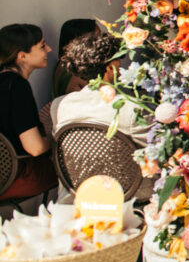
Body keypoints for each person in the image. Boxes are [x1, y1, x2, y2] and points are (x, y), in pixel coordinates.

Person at [50, 31, 148, 143]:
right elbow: (157, 149)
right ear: (110, 67)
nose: (120, 64)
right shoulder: (132, 109)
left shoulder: (59, 106)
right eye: (118, 59)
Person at [0, 24, 57, 202]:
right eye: (42, 46)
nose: (49, 49)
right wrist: (53, 138)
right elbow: (35, 148)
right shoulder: (17, 87)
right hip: (14, 175)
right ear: (22, 56)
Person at [51, 18, 98, 98]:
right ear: (84, 40)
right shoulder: (77, 71)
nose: (101, 42)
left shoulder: (63, 63)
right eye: (97, 37)